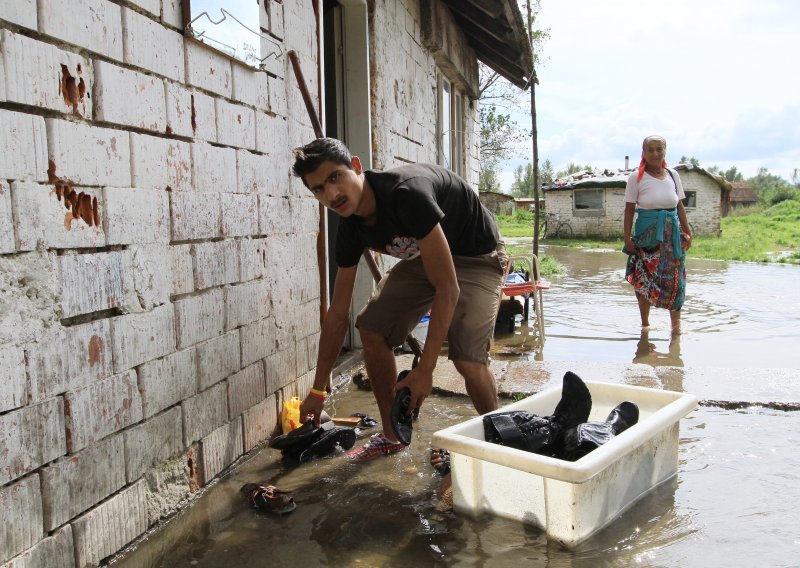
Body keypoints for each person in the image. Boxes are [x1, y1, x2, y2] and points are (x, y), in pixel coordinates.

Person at [291, 138, 507, 462]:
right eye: (318, 189)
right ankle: (392, 436)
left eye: (335, 177)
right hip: (428, 256)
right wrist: (318, 391)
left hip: (477, 255)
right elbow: (337, 315)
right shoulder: (350, 228)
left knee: (467, 359)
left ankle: (501, 443)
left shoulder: (407, 194)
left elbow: (447, 287)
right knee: (372, 328)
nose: (331, 195)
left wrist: (426, 371)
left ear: (357, 167)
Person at [623, 135, 693, 335]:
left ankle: (676, 330)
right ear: (643, 153)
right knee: (643, 278)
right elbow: (629, 210)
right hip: (646, 236)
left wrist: (687, 231)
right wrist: (627, 239)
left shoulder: (673, 175)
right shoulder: (636, 178)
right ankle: (645, 326)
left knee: (676, 281)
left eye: (659, 149)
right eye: (650, 149)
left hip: (673, 238)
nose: (655, 153)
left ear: (664, 151)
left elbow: (679, 204)